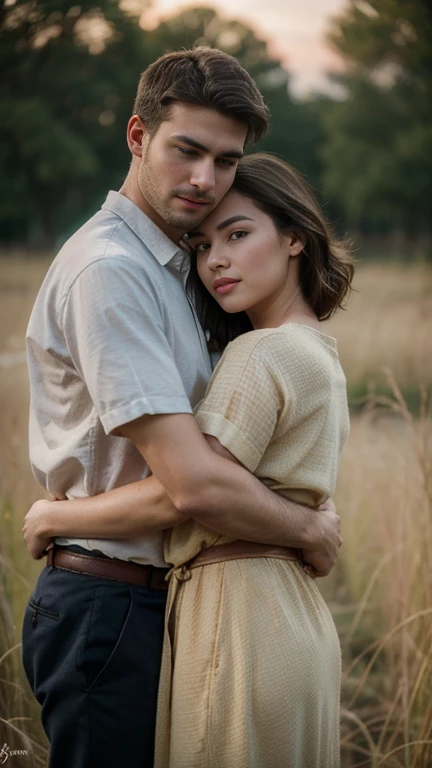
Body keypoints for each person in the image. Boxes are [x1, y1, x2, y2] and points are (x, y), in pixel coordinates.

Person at [22, 47, 343, 768]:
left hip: (164, 600)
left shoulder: (179, 269)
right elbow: (191, 484)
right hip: (104, 604)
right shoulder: (114, 271)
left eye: (226, 161)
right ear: (138, 137)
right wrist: (310, 533)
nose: (205, 179)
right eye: (187, 151)